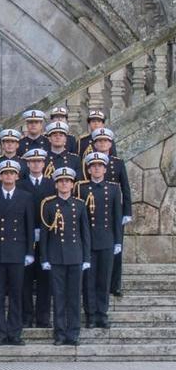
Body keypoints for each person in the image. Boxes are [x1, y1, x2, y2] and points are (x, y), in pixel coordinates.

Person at [0, 160, 34, 346]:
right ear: (0, 176)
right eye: (5, 173)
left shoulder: (26, 197)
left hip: (18, 252)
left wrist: (29, 251)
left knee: (16, 294)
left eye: (11, 173)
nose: (8, 176)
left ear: (17, 176)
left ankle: (14, 333)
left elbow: (29, 226)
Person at [39, 167, 91, 346]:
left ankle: (73, 333)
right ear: (55, 184)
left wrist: (86, 259)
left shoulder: (80, 204)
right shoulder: (49, 204)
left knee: (74, 297)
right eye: (61, 181)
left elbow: (85, 234)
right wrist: (44, 258)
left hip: (75, 257)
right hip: (56, 257)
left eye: (67, 181)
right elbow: (44, 235)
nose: (64, 184)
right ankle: (60, 333)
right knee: (59, 297)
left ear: (72, 184)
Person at [76, 152, 123, 329]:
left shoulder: (113, 188)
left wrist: (118, 241)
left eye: (100, 166)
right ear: (88, 169)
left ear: (105, 169)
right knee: (88, 280)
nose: (96, 168)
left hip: (106, 240)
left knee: (104, 279)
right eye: (93, 166)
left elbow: (116, 217)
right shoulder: (81, 188)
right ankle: (90, 315)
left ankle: (102, 314)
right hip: (87, 242)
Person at [88, 127, 131, 297]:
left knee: (117, 249)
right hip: (94, 210)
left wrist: (127, 211)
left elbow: (125, 188)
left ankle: (115, 284)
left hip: (115, 211)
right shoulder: (90, 162)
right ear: (95, 144)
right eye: (99, 141)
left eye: (105, 141)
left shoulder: (118, 162)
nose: (102, 144)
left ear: (110, 143)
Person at [17, 148, 56, 328]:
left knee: (45, 279)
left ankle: (43, 317)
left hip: (48, 237)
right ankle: (26, 316)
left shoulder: (51, 184)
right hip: (25, 238)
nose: (36, 164)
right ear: (28, 164)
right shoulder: (20, 184)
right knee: (25, 279)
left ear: (44, 164)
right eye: (32, 161)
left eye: (39, 161)